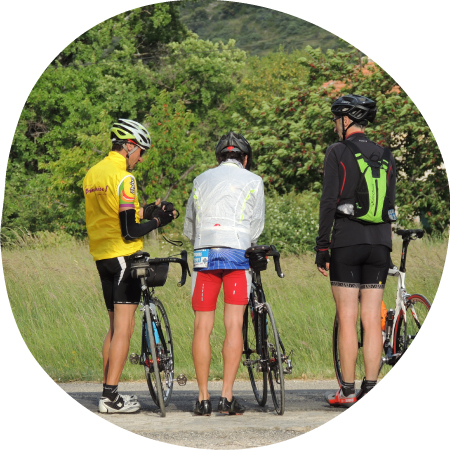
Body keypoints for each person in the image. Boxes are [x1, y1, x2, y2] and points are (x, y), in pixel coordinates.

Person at [83, 119, 176, 413]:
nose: (141, 158)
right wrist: (161, 220)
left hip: (102, 256)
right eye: (141, 151)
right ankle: (111, 398)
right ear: (129, 146)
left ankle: (107, 392)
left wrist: (148, 211)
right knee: (124, 327)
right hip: (125, 257)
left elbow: (118, 214)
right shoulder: (126, 178)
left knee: (113, 327)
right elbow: (130, 231)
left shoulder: (93, 174)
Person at [314, 95, 396, 407]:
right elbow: (389, 206)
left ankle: (347, 392)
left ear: (346, 119)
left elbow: (328, 201)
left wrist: (322, 246)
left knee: (347, 316)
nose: (336, 125)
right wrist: (384, 247)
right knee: (371, 317)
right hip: (379, 244)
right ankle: (372, 389)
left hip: (347, 241)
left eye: (337, 119)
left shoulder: (337, 151)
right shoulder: (386, 154)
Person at [183, 131, 265, 416]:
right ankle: (227, 397)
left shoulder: (200, 179)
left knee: (202, 327)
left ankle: (203, 397)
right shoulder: (254, 180)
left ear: (218, 158)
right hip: (236, 252)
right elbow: (256, 225)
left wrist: (200, 241)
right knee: (233, 324)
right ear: (244, 158)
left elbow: (189, 224)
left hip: (205, 252)